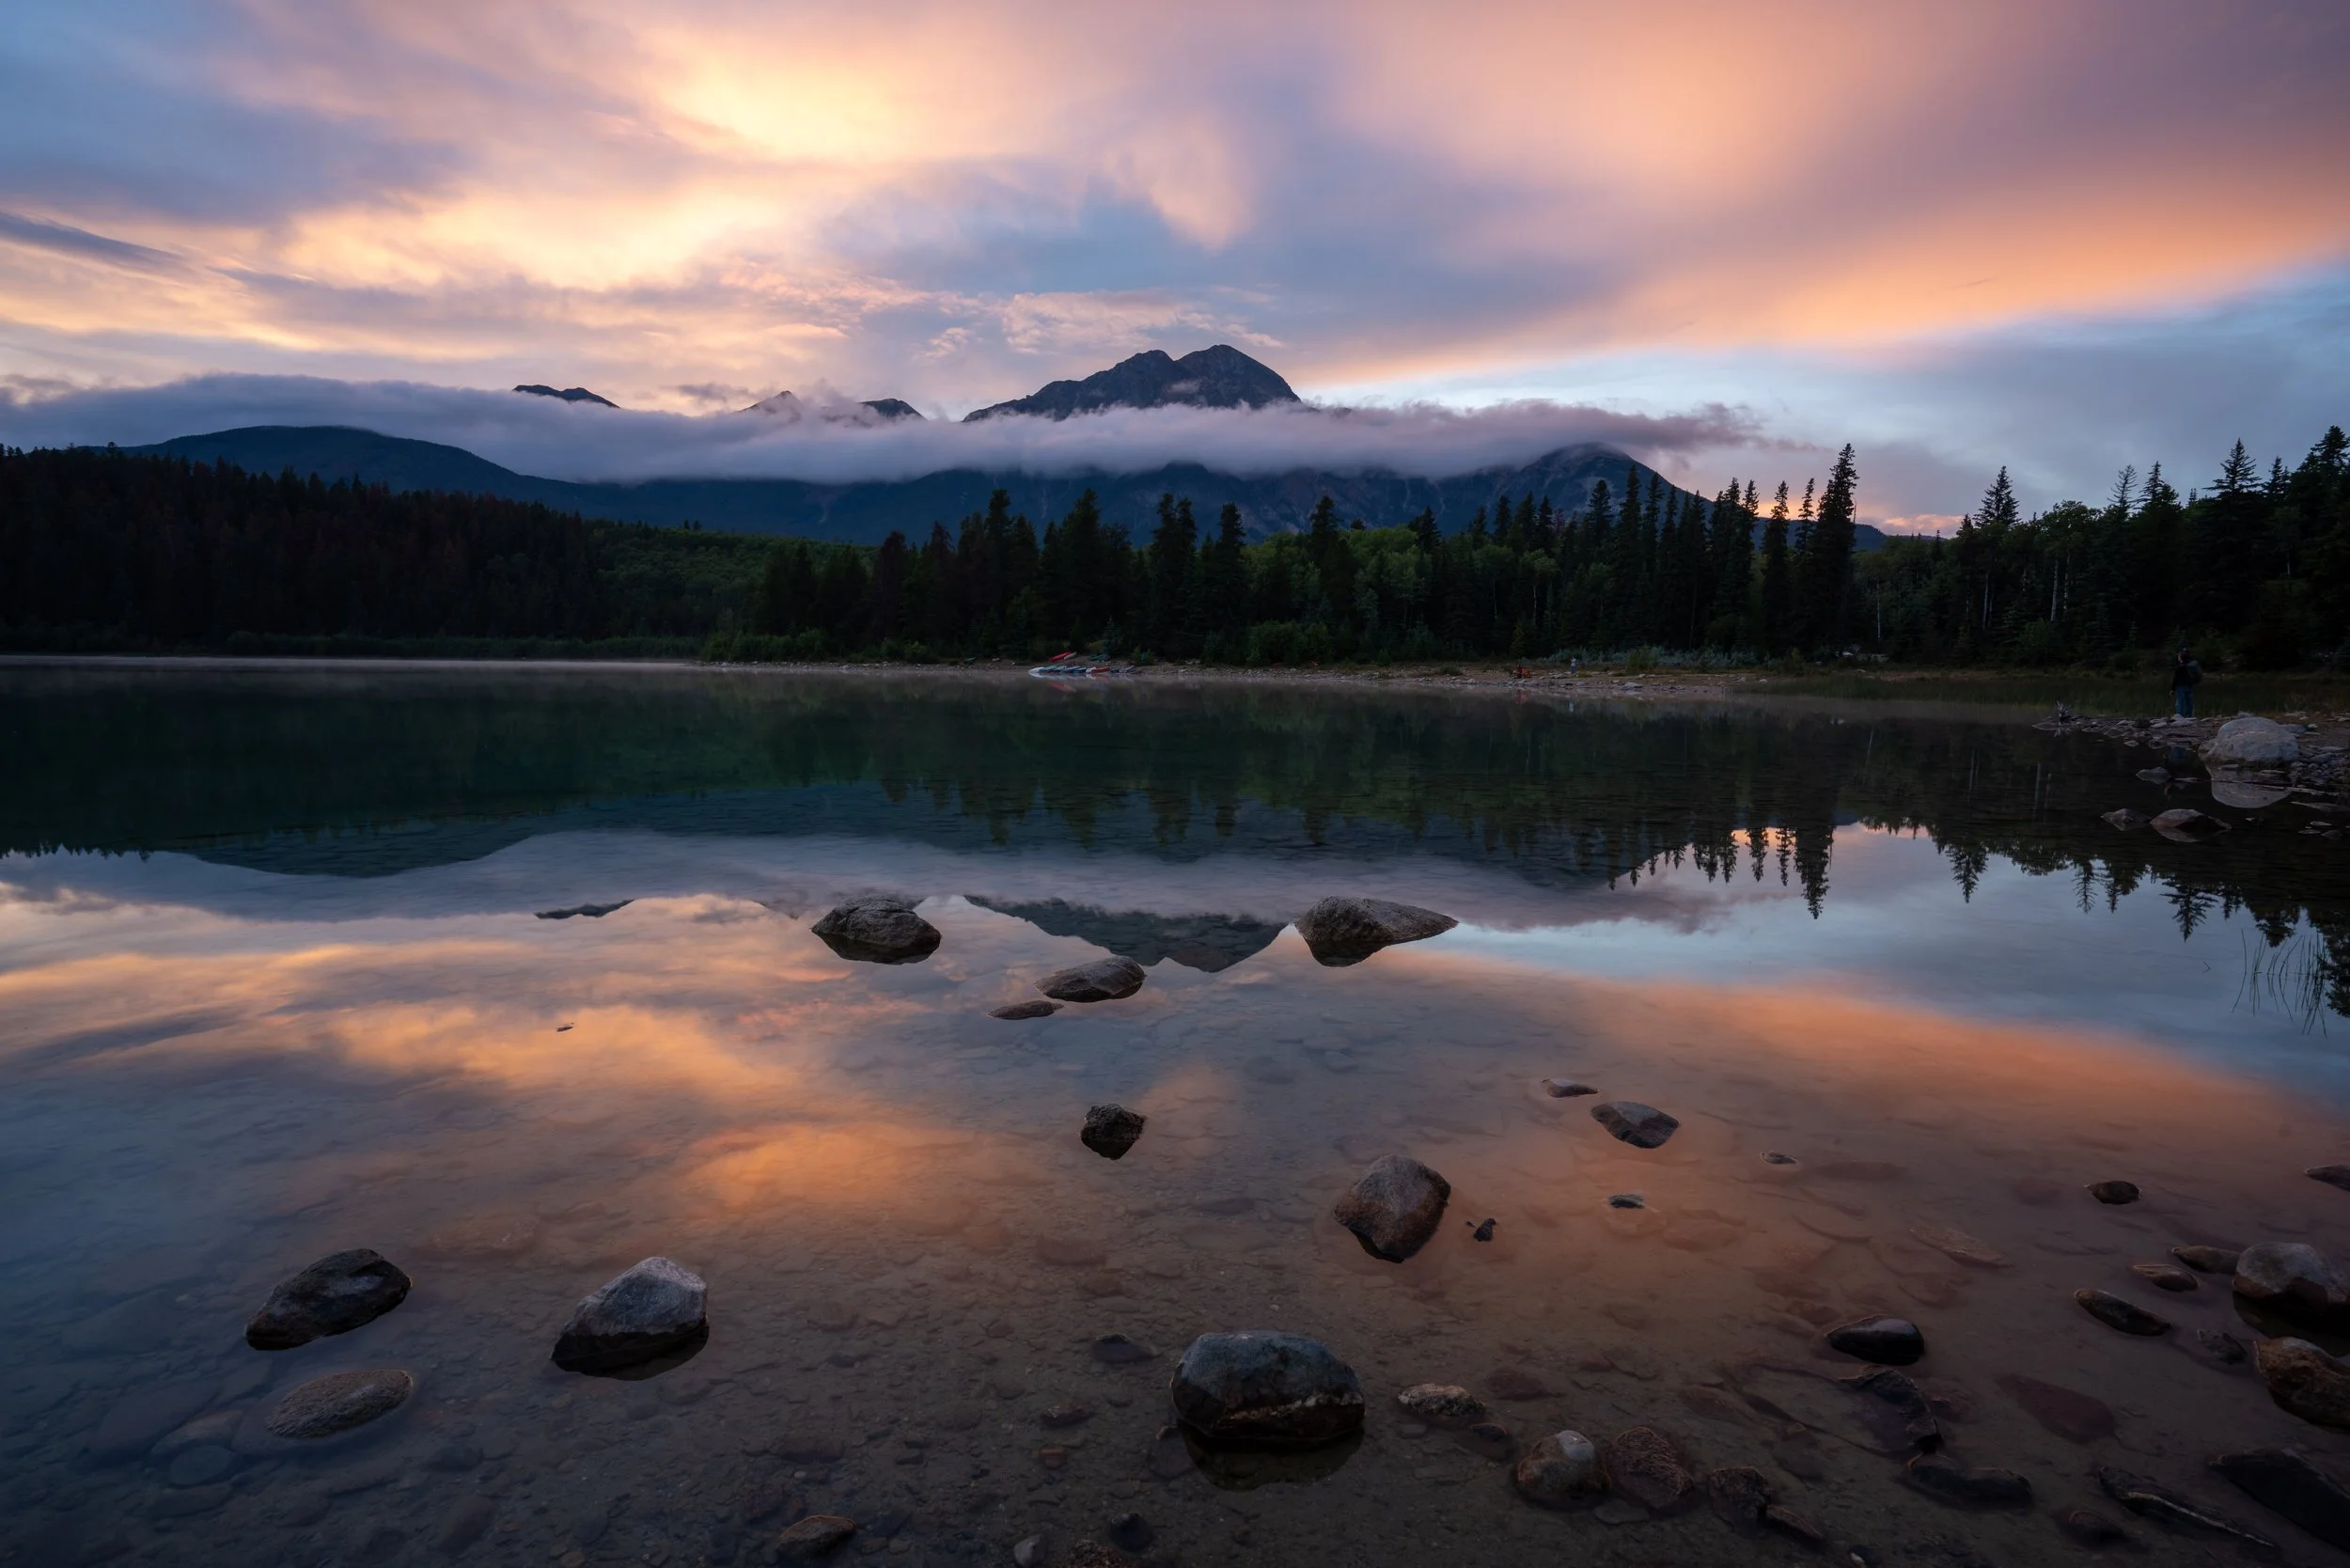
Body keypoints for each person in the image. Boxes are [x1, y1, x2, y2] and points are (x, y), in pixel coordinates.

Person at [2170, 647, 2201, 718]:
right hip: (2189, 685)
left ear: (2180, 658)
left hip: (2181, 686)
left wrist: (2172, 689)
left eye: (2178, 656)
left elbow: (2176, 679)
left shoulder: (2180, 668)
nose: (2177, 657)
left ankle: (2179, 716)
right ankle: (2189, 716)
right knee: (2189, 702)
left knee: (2180, 702)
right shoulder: (2190, 665)